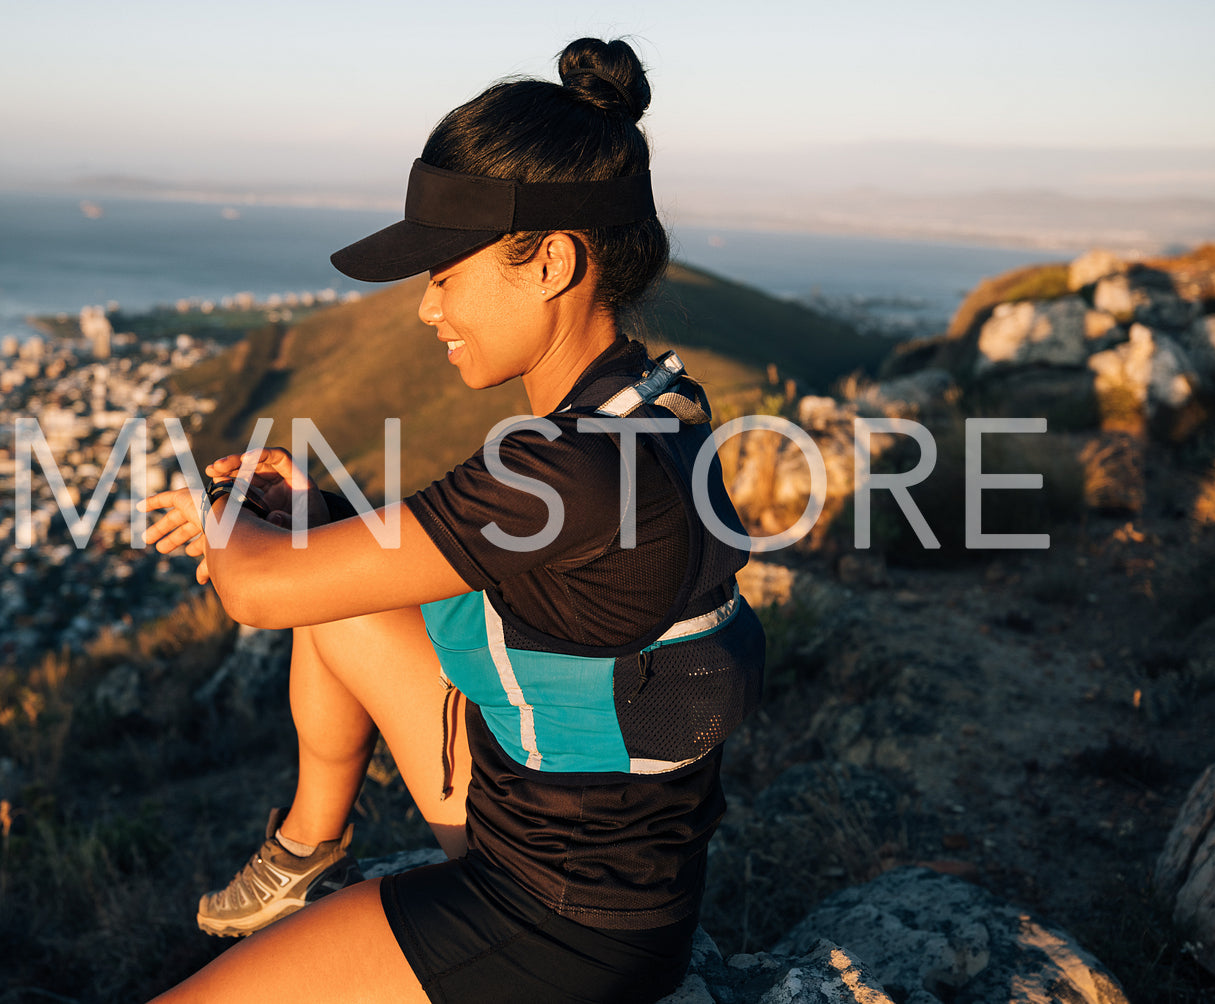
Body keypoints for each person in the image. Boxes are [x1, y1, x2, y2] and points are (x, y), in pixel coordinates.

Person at [139, 37, 765, 1004]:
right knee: (341, 591)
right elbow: (465, 547)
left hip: (549, 922)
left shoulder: (568, 467)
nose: (426, 306)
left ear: (551, 260)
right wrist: (313, 512)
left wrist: (219, 514)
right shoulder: (653, 409)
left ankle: (315, 861)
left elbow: (257, 591)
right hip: (583, 854)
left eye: (445, 271)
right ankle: (307, 848)